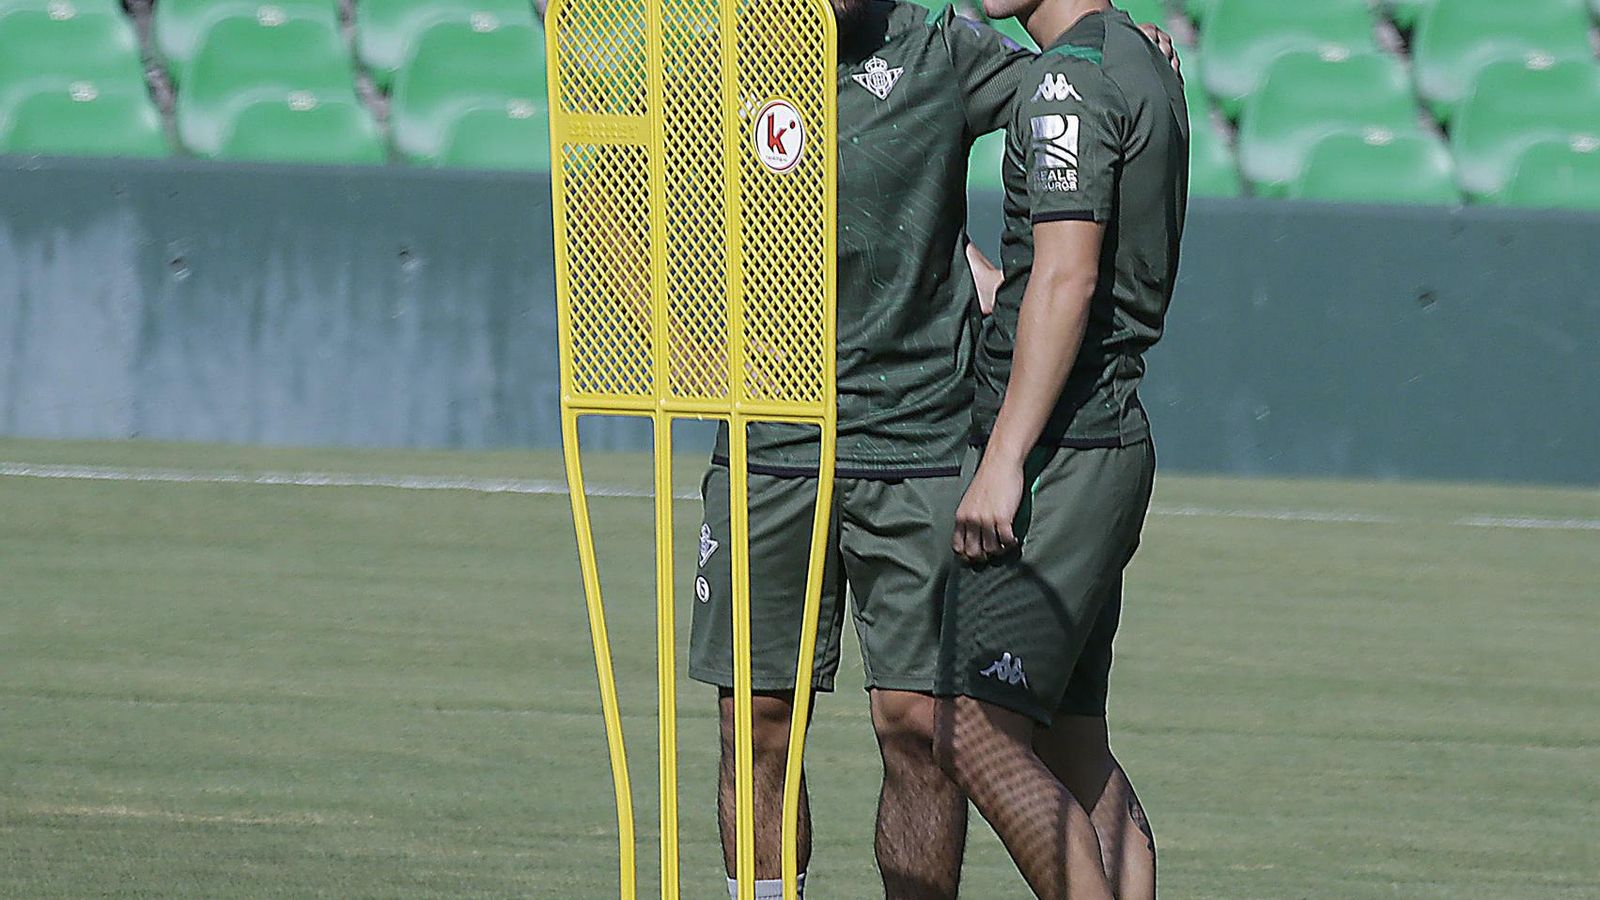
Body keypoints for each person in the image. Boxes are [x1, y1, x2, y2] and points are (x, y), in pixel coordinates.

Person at [687, 3, 1179, 898]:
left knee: (919, 726)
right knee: (756, 723)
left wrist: (1125, 44)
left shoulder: (943, 46)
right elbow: (649, 201)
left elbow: (1070, 90)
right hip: (766, 435)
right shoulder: (721, 58)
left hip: (916, 438)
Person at [931, 0, 1188, 898]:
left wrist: (1003, 461)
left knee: (970, 726)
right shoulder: (1141, 59)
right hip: (1106, 438)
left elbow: (1071, 276)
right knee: (1074, 742)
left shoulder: (1066, 80)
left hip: (1062, 451)